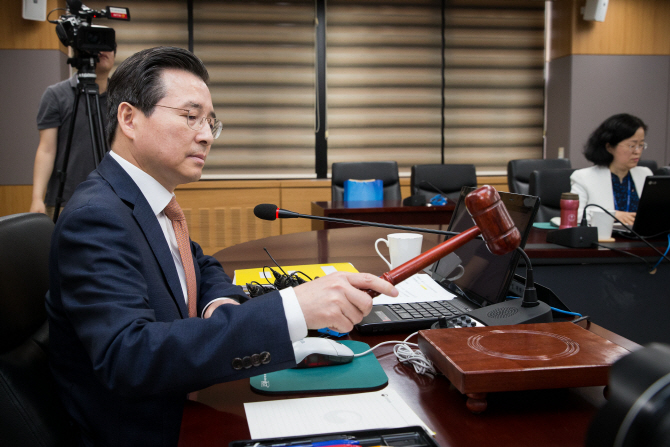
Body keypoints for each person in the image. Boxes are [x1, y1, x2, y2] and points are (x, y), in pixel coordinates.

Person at [45, 46, 398, 446]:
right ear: (129, 118)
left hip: (187, 403)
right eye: (190, 116)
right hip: (150, 429)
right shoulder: (96, 216)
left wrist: (220, 306)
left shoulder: (145, 200)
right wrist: (292, 309)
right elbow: (130, 358)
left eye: (211, 122)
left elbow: (201, 265)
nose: (205, 135)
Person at [30, 49, 116, 218]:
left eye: (107, 44)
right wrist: (37, 197)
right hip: (65, 201)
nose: (102, 50)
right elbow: (46, 149)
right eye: (95, 43)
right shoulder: (56, 95)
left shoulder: (122, 97)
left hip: (114, 198)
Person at [570, 113, 654, 226]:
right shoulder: (584, 177)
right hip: (604, 239)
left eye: (641, 145)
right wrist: (612, 215)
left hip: (642, 239)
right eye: (631, 146)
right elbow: (574, 216)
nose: (637, 151)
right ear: (609, 147)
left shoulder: (645, 174)